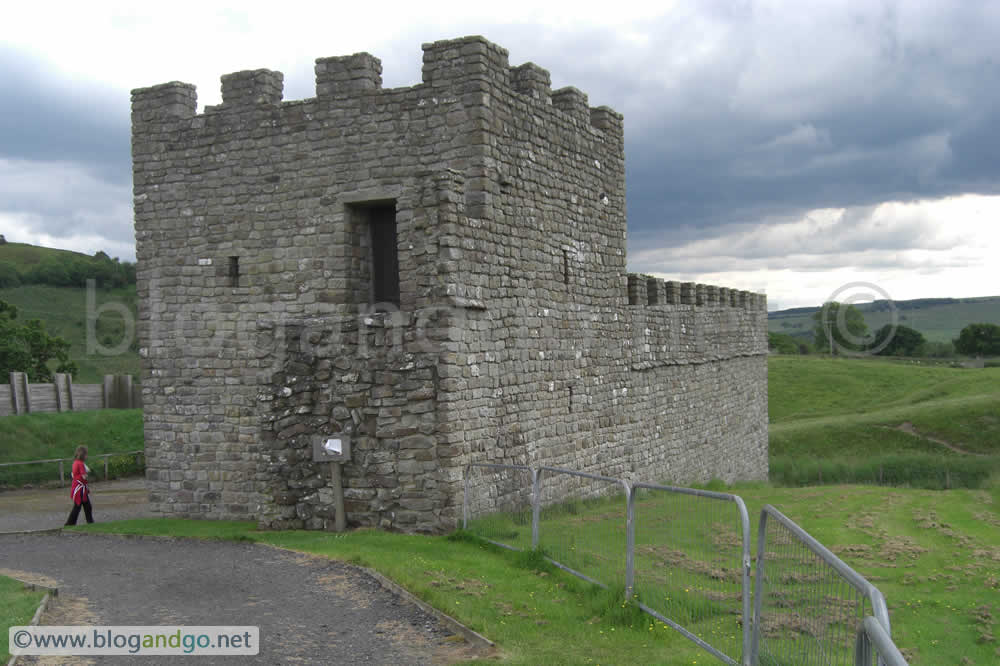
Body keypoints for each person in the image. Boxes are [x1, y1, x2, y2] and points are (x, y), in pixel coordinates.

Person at [65, 445, 94, 525]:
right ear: (83, 455)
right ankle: (70, 523)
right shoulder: (80, 464)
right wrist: (87, 474)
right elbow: (84, 476)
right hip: (80, 488)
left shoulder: (75, 462)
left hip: (77, 486)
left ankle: (89, 521)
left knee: (86, 506)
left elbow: (73, 474)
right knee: (78, 506)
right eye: (86, 454)